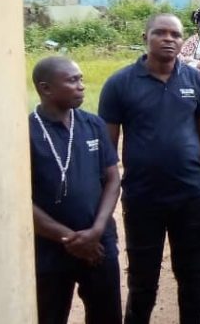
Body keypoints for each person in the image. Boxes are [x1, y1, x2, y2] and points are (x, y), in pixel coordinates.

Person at [98, 13, 200, 324]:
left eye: (175, 35)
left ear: (183, 42)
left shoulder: (197, 82)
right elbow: (107, 150)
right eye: (160, 33)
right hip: (142, 199)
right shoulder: (119, 84)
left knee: (193, 278)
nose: (169, 39)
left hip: (191, 196)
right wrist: (103, 200)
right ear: (145, 38)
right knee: (143, 281)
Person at [31, 57, 122, 324]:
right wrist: (67, 238)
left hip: (98, 243)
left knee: (106, 315)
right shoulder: (26, 131)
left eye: (81, 79)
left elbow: (112, 178)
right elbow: (19, 201)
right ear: (46, 88)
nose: (81, 86)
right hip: (50, 247)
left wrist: (96, 231)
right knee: (49, 314)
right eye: (72, 80)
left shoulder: (92, 124)